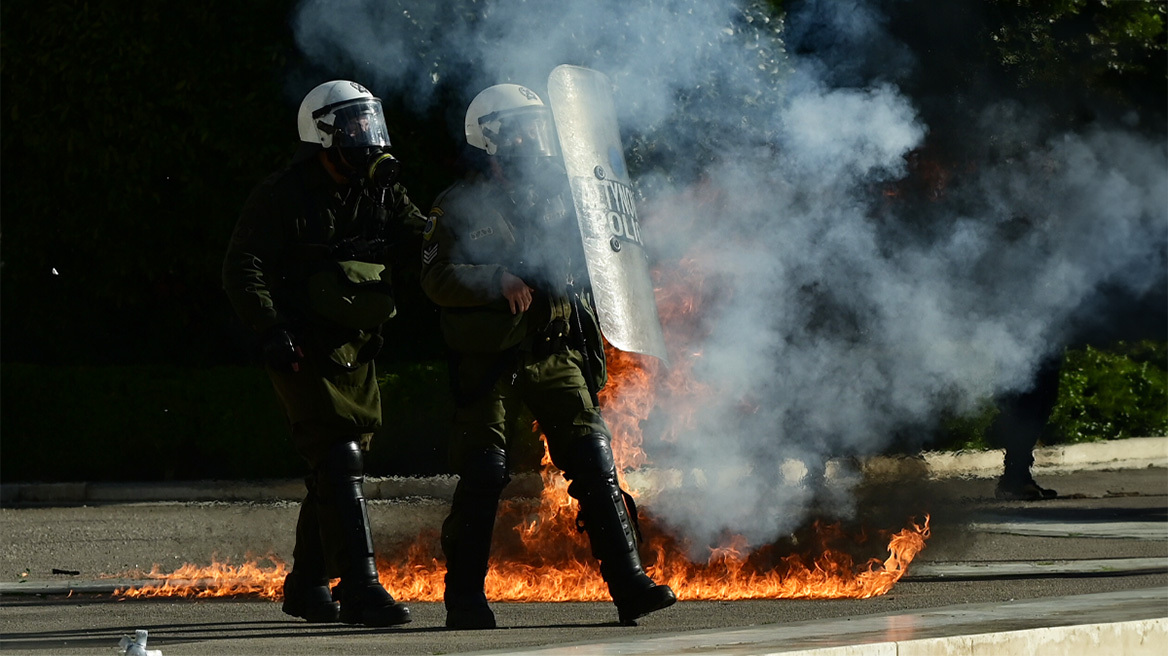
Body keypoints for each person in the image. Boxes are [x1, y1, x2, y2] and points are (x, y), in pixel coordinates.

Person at [420, 83, 677, 629]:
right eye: (514, 127)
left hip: (555, 350)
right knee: (485, 473)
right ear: (486, 137)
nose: (529, 138)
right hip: (488, 359)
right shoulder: (458, 204)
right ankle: (464, 599)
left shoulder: (566, 193)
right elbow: (435, 277)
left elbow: (606, 253)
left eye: (535, 126)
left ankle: (629, 585)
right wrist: (496, 278)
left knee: (594, 462)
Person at [222, 80, 425, 627]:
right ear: (323, 134)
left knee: (333, 466)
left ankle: (308, 585)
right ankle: (359, 588)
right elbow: (243, 268)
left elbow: (419, 241)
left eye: (370, 124)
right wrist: (270, 330)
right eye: (355, 126)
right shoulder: (282, 194)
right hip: (300, 346)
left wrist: (465, 242)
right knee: (338, 456)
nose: (368, 137)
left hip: (354, 346)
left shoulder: (380, 189)